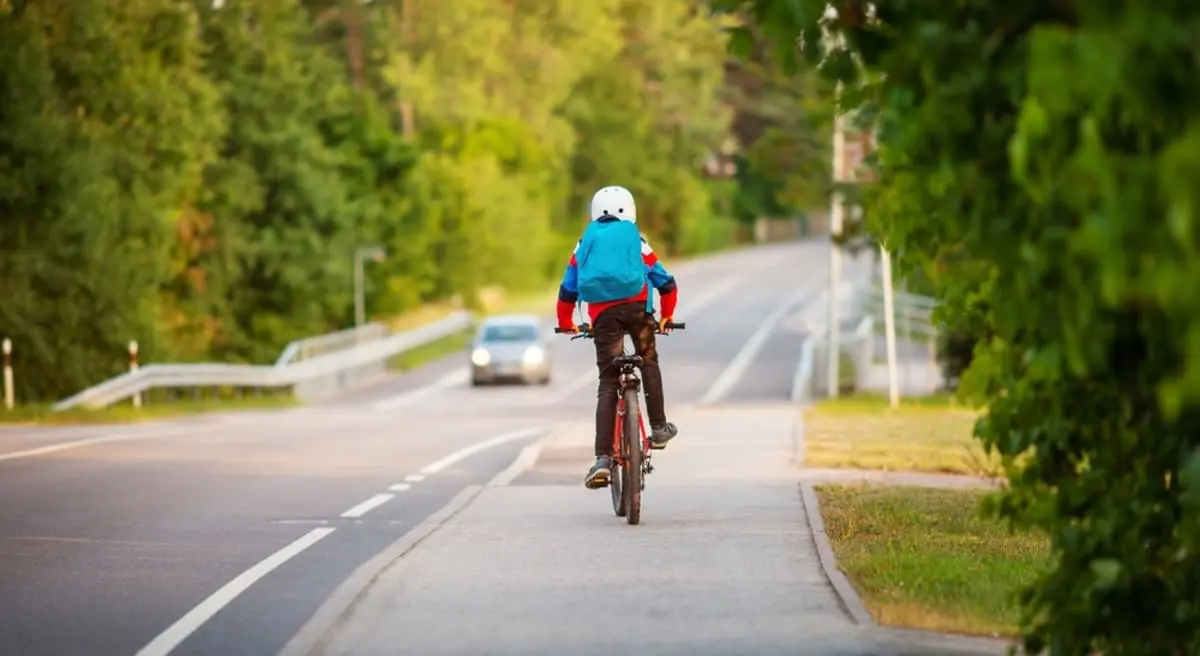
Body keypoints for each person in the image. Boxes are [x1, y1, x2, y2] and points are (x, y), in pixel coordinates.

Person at [556, 185, 680, 489]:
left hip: (603, 319)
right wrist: (666, 316)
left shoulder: (583, 244)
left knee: (608, 382)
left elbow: (568, 289)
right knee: (648, 361)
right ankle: (660, 427)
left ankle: (602, 459)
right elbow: (666, 283)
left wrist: (567, 322)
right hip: (639, 311)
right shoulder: (637, 242)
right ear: (630, 210)